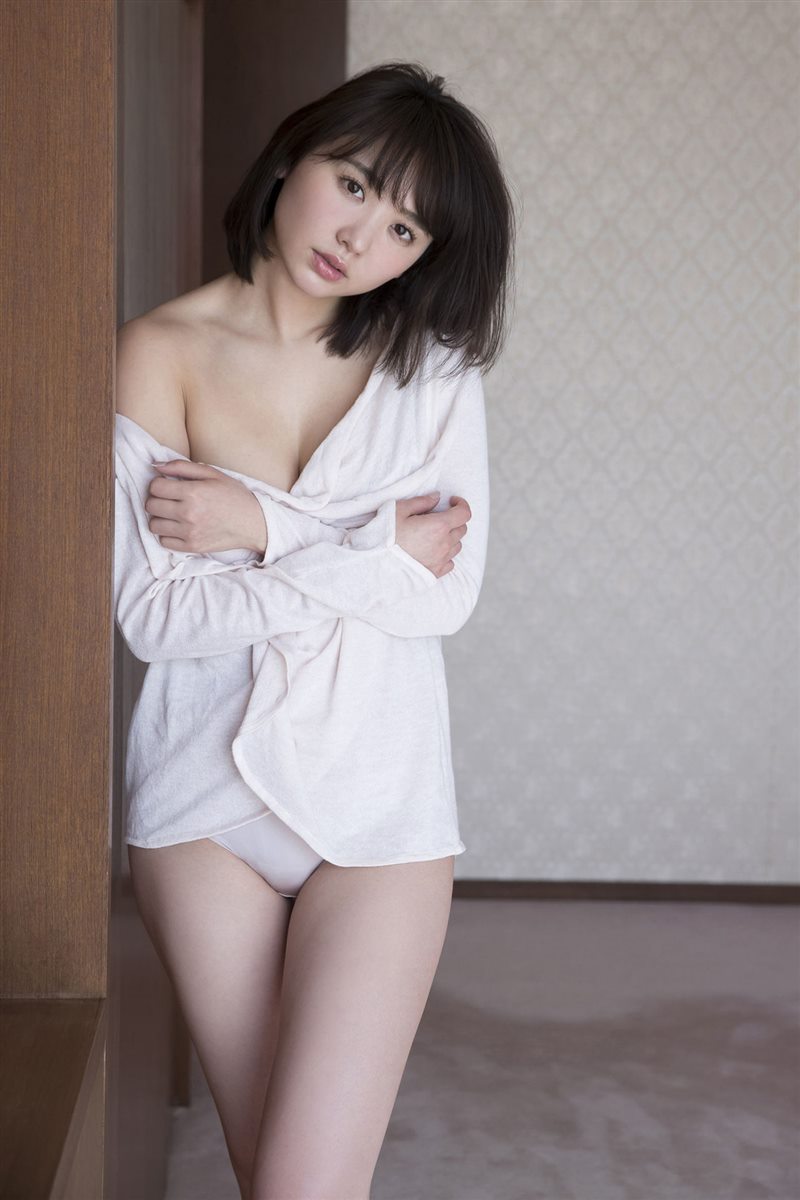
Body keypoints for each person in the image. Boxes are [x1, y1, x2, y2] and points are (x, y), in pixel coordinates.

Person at [114, 60, 515, 1200]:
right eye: (353, 185)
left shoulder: (431, 372)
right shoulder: (158, 352)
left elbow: (441, 596)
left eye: (403, 229)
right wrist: (364, 551)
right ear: (295, 154)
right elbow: (157, 619)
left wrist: (258, 528)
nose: (359, 239)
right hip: (202, 809)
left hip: (379, 811)